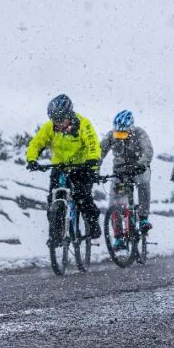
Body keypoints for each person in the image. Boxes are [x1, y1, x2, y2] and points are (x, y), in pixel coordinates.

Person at [25, 94, 103, 240]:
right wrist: (32, 159)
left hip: (81, 167)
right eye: (54, 119)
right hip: (59, 167)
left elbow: (93, 144)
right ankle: (56, 234)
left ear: (69, 114)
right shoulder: (50, 127)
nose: (58, 123)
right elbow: (36, 143)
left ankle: (93, 224)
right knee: (52, 200)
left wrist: (92, 159)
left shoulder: (83, 124)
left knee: (83, 197)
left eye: (60, 119)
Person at [99, 109, 154, 234]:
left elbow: (148, 150)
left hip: (138, 169)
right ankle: (118, 236)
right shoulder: (111, 135)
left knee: (143, 184)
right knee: (115, 202)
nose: (120, 135)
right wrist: (94, 168)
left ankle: (143, 218)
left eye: (123, 133)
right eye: (118, 133)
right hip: (120, 172)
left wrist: (142, 164)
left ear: (131, 128)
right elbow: (99, 153)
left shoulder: (140, 133)